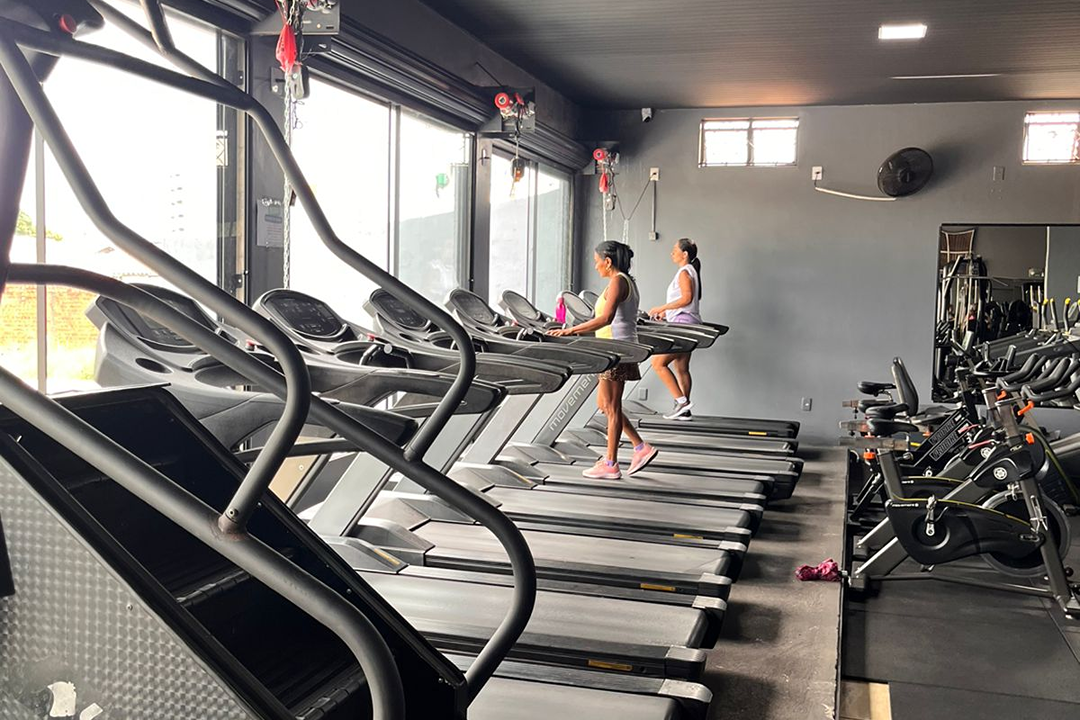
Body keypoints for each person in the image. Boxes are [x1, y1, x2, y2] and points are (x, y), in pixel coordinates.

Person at [548, 241, 658, 479]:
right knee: (605, 404)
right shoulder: (624, 281)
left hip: (617, 350)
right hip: (612, 349)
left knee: (612, 406)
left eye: (597, 261)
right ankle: (640, 447)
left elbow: (606, 318)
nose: (595, 266)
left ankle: (611, 463)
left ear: (608, 261)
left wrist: (570, 331)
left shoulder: (618, 281)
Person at [648, 237, 703, 420]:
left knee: (657, 363)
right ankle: (684, 411)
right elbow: (687, 302)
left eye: (675, 249)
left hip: (683, 324)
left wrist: (661, 308)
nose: (672, 252)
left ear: (684, 254)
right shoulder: (690, 271)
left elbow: (687, 298)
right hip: (688, 322)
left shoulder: (684, 272)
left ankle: (682, 402)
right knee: (681, 368)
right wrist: (666, 313)